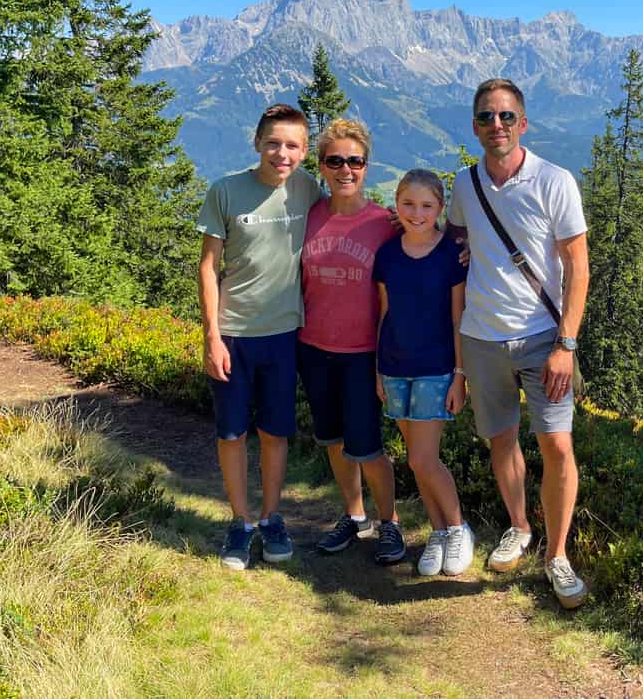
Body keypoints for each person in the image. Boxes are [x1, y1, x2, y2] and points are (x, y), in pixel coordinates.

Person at [446, 77, 591, 609]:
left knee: (557, 445)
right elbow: (456, 245)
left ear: (523, 123)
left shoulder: (555, 181)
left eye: (506, 116)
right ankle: (519, 527)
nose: (497, 126)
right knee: (501, 442)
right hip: (482, 340)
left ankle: (557, 557)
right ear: (475, 126)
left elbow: (578, 267)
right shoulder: (465, 185)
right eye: (487, 117)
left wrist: (566, 343)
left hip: (542, 340)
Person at [197, 103, 322, 571]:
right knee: (232, 433)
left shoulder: (308, 190)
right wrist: (212, 337)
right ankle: (239, 522)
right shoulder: (226, 192)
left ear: (305, 151)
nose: (281, 153)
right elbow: (208, 267)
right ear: (257, 143)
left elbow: (349, 213)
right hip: (233, 334)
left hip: (285, 335)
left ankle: (271, 518)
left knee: (275, 432)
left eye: (292, 145)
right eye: (273, 143)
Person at [298, 118, 405, 565]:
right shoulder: (309, 217)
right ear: (321, 165)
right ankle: (353, 514)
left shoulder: (385, 224)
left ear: (366, 165)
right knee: (332, 440)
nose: (345, 169)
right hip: (313, 347)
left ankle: (391, 522)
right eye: (335, 160)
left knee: (368, 446)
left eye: (354, 160)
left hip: (363, 355)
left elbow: (423, 252)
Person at [373, 169, 473, 576]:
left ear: (440, 209)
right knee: (416, 462)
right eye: (408, 204)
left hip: (436, 369)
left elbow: (457, 318)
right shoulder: (387, 254)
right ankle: (437, 532)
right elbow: (383, 313)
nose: (417, 213)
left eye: (427, 205)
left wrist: (460, 374)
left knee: (423, 458)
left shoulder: (451, 255)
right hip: (394, 368)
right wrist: (378, 370)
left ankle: (458, 527)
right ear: (397, 204)